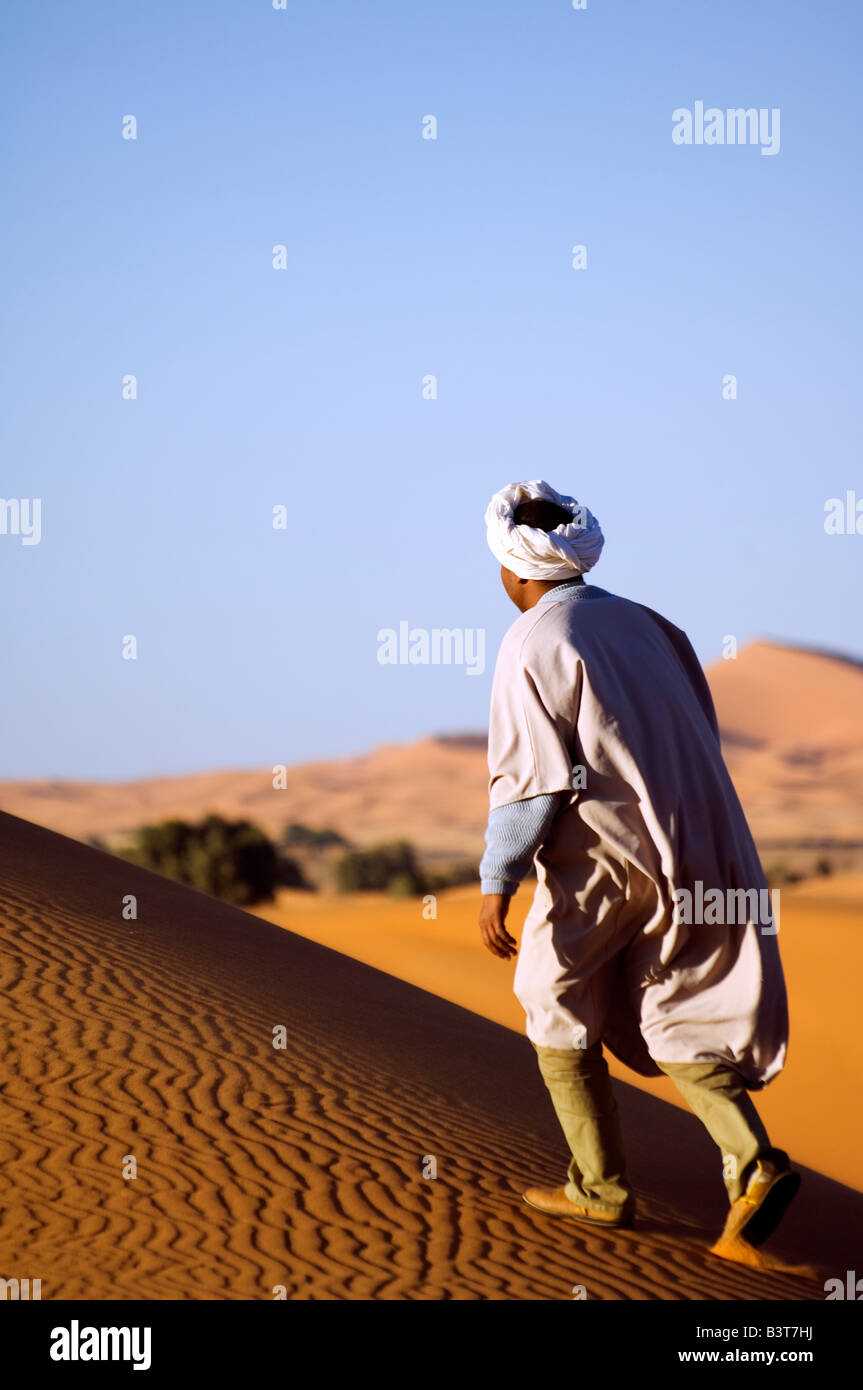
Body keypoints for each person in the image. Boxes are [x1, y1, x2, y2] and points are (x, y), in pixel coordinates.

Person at [478, 479, 799, 1264]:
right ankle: (751, 1163)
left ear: (512, 570)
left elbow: (533, 782)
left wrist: (497, 880)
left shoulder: (532, 642)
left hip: (606, 859)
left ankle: (599, 1191)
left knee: (550, 997)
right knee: (678, 1005)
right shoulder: (648, 624)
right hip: (702, 846)